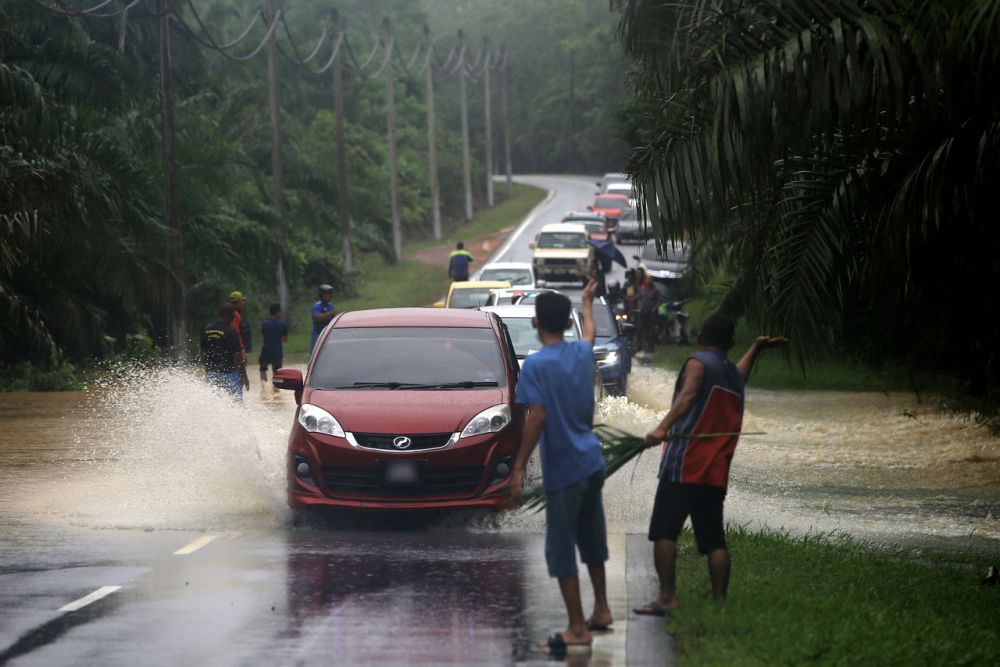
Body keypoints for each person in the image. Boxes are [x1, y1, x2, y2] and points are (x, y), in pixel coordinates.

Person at [633, 313, 787, 616]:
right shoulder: (731, 374)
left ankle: (667, 598)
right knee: (714, 540)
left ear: (701, 336)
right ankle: (719, 603)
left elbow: (689, 395)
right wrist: (756, 347)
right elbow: (740, 373)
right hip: (715, 471)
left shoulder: (698, 363)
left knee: (665, 532)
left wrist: (662, 427)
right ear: (730, 343)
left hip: (683, 464)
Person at [507, 277, 612, 655]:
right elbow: (592, 334)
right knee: (593, 537)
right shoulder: (582, 355)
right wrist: (586, 301)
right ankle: (601, 609)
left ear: (536, 324)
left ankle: (577, 628)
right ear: (568, 324)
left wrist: (518, 466)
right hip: (592, 461)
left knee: (562, 548)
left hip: (565, 469)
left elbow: (536, 418)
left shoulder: (535, 366)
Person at [200, 302, 246, 402]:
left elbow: (203, 352)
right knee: (236, 406)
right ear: (233, 316)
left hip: (211, 374)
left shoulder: (207, 329)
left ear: (219, 314)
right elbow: (237, 356)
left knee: (213, 404)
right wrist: (243, 376)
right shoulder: (231, 332)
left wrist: (207, 369)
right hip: (229, 374)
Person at [259, 303, 288, 384]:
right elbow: (285, 339)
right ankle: (276, 390)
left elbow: (263, 335)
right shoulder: (282, 324)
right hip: (277, 351)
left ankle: (264, 389)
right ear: (277, 312)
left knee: (262, 369)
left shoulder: (264, 323)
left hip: (266, 350)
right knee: (277, 372)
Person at [311, 284, 337, 352]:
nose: (327, 295)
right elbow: (316, 317)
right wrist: (330, 314)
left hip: (328, 334)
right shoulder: (317, 306)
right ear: (321, 294)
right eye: (325, 293)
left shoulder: (330, 306)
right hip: (318, 334)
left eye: (329, 293)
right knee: (316, 353)